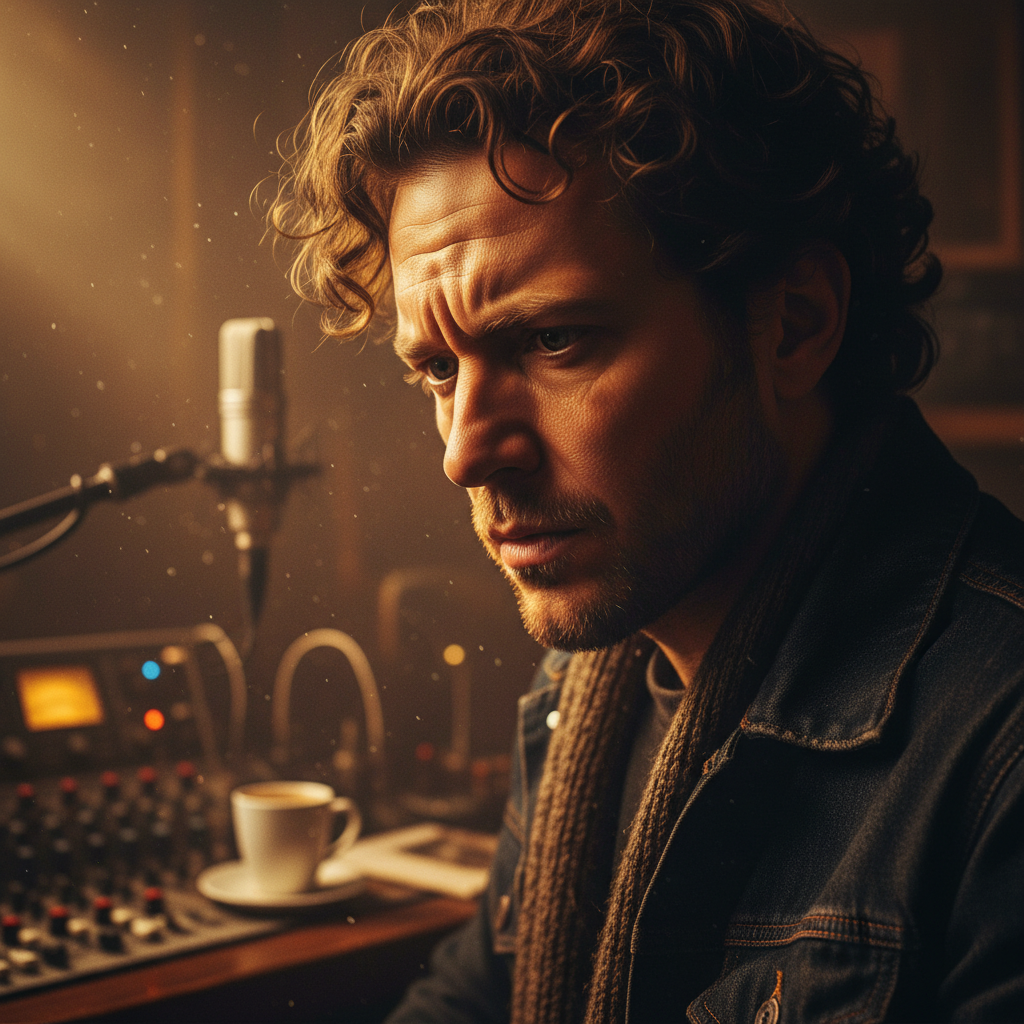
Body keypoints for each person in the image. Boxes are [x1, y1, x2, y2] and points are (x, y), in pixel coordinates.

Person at [270, 0, 1024, 1020]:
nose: (465, 452)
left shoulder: (999, 749)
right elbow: (474, 995)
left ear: (793, 323)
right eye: (438, 369)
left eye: (553, 342)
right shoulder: (583, 693)